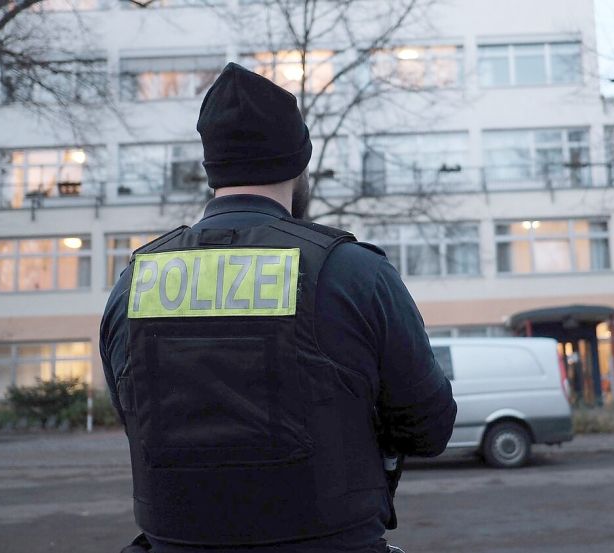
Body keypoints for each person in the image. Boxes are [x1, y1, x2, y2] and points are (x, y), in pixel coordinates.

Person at [100, 63, 457, 553]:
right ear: (299, 165)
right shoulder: (352, 272)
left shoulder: (133, 283)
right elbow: (428, 426)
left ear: (213, 169)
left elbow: (132, 416)